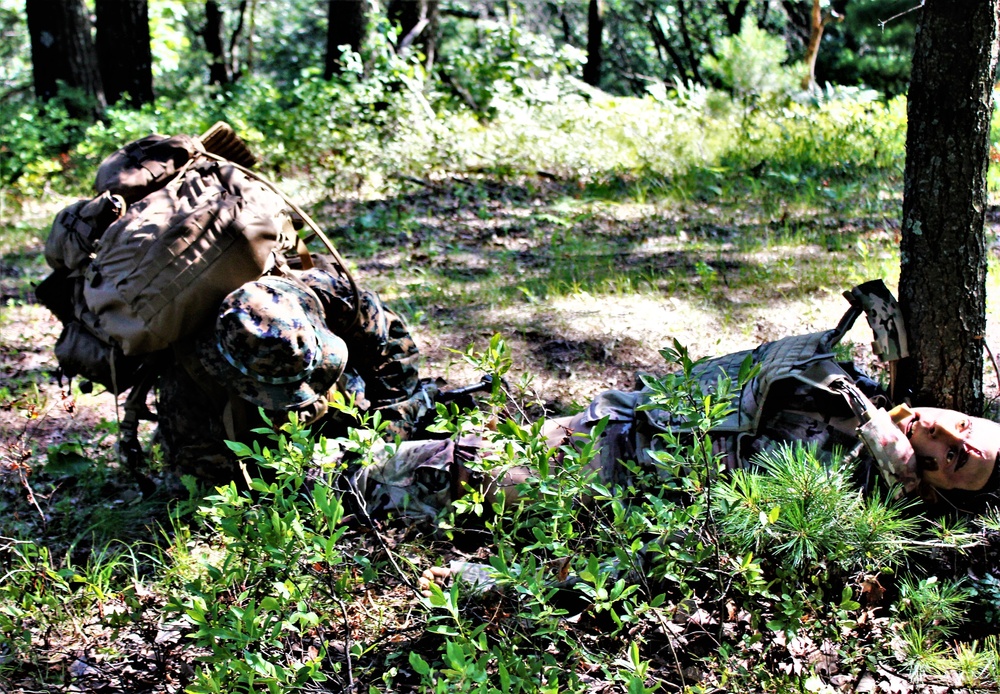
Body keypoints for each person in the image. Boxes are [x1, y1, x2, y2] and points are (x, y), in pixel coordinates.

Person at [153, 256, 440, 485]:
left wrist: (388, 431)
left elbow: (394, 357)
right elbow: (194, 468)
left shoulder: (332, 297)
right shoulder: (190, 378)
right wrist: (283, 479)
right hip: (243, 428)